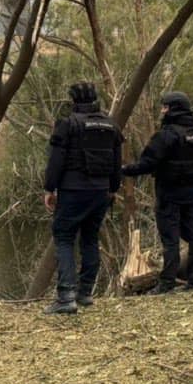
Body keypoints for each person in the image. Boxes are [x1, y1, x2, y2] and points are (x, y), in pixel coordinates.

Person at [43, 81, 122, 315]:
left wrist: (49, 189)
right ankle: (85, 292)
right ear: (95, 99)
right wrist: (112, 189)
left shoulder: (68, 124)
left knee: (64, 237)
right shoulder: (111, 126)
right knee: (90, 238)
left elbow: (55, 161)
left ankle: (66, 296)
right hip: (100, 191)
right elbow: (117, 162)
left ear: (74, 101)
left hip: (73, 190)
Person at [121, 91, 193, 294]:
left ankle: (167, 283)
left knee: (170, 239)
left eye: (165, 107)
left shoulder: (166, 135)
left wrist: (124, 170)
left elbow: (147, 164)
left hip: (169, 194)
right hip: (191, 194)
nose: (162, 111)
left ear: (174, 109)